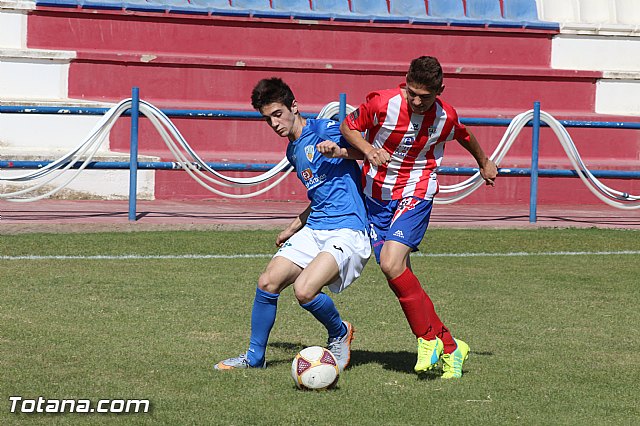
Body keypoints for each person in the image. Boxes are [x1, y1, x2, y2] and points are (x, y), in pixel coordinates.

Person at [324, 56, 498, 379]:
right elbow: (348, 126)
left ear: (440, 91)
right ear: (404, 80)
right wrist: (368, 149)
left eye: (425, 96)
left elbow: (463, 134)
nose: (417, 101)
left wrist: (484, 162)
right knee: (398, 274)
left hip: (416, 191)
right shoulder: (382, 103)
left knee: (391, 263)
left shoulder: (445, 116)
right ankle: (450, 347)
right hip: (375, 199)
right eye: (412, 93)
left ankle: (427, 339)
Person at [214, 78, 371, 372]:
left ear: (294, 106)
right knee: (267, 281)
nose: (274, 123)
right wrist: (293, 226)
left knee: (304, 291)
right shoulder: (293, 151)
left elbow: (372, 154)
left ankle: (340, 333)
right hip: (315, 229)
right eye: (267, 119)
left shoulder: (326, 129)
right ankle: (255, 358)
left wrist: (340, 152)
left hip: (349, 229)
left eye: (277, 114)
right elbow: (320, 194)